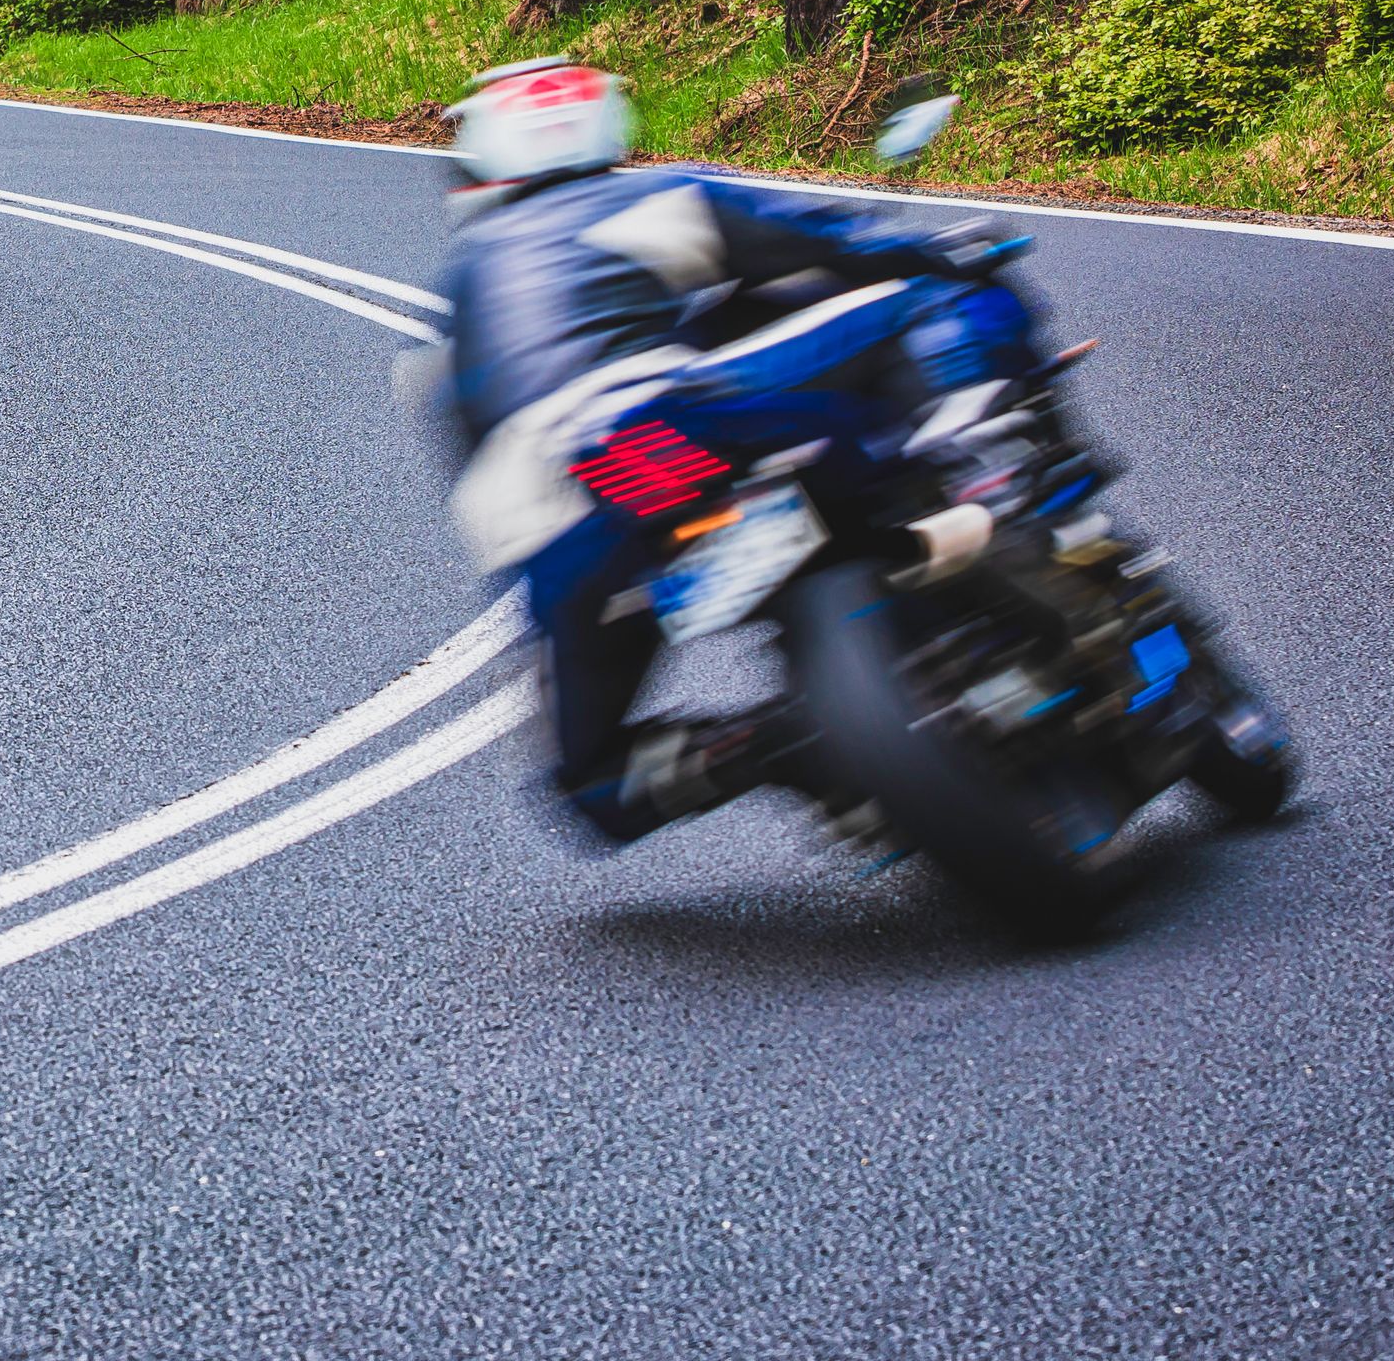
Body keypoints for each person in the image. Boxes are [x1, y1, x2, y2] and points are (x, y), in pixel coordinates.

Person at [435, 54, 1040, 846]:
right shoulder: (650, 194)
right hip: (668, 425)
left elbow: (473, 474)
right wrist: (942, 256)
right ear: (601, 120)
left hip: (568, 527)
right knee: (913, 305)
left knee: (590, 786)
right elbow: (831, 245)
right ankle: (992, 475)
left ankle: (778, 747)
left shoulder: (460, 292)